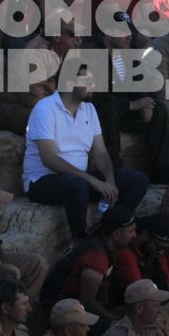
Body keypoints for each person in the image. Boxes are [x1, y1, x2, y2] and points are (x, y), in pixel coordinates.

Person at [24, 76, 148, 238]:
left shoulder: (89, 109)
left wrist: (109, 180)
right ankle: (81, 241)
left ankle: (108, 230)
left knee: (137, 180)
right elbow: (50, 159)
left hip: (78, 180)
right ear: (69, 84)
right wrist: (93, 181)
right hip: (42, 182)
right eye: (87, 81)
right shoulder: (45, 108)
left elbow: (101, 152)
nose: (93, 84)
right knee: (77, 185)